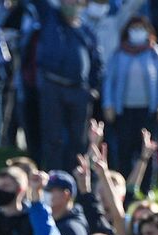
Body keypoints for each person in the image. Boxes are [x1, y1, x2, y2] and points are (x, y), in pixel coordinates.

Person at [32, 0, 104, 172]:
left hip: (80, 90)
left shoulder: (85, 30)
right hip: (53, 86)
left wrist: (93, 87)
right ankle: (54, 178)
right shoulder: (50, 19)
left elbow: (97, 62)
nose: (72, 4)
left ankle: (78, 180)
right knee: (53, 138)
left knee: (78, 140)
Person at [102, 16, 158, 176]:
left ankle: (147, 186)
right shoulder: (119, 53)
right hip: (124, 110)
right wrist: (108, 104)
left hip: (148, 110)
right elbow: (109, 81)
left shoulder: (155, 52)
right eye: (134, 28)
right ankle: (125, 181)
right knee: (125, 148)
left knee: (147, 148)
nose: (138, 31)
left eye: (141, 28)